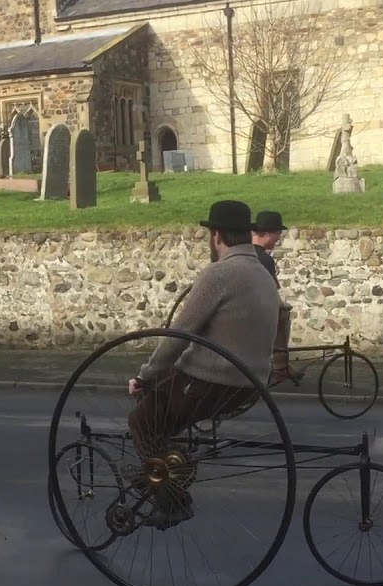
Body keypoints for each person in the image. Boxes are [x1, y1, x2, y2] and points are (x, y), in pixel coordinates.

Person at [125, 200, 281, 528]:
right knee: (165, 403)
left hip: (213, 383)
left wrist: (145, 375)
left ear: (217, 235)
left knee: (142, 418)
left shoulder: (219, 274)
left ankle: (172, 496)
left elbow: (179, 334)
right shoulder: (264, 275)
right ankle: (169, 462)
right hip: (251, 385)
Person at [251, 210, 300, 384]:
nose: (278, 240)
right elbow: (272, 293)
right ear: (269, 233)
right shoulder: (264, 259)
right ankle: (281, 365)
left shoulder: (244, 252)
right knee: (284, 311)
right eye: (277, 235)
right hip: (254, 313)